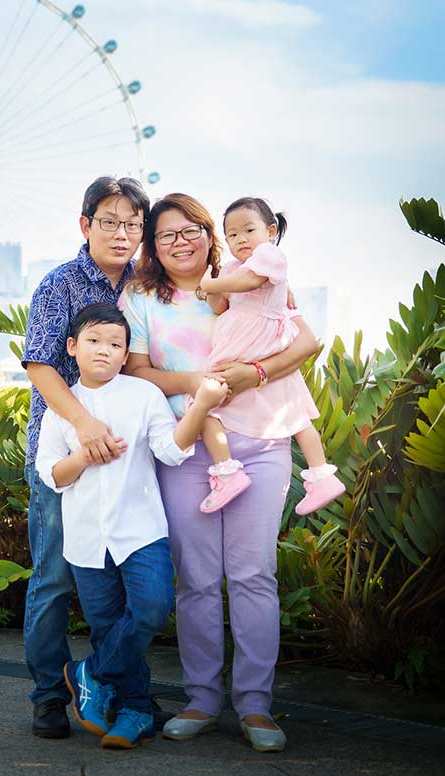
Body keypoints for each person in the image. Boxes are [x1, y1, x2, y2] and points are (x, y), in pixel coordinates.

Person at [119, 192, 319, 752]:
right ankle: (203, 698)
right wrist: (201, 388)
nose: (180, 242)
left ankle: (256, 706)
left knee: (254, 574)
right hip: (186, 447)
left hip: (259, 443)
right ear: (153, 247)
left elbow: (306, 341)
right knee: (198, 580)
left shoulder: (248, 275)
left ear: (210, 235)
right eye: (166, 235)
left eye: (191, 231)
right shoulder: (141, 297)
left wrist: (251, 373)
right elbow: (136, 368)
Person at [36, 303, 228, 750]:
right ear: (73, 347)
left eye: (115, 344)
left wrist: (199, 407)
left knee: (151, 608)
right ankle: (135, 711)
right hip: (86, 540)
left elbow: (171, 451)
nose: (104, 350)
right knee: (107, 627)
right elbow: (53, 475)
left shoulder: (143, 395)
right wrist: (84, 455)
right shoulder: (61, 408)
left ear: (126, 355)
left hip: (141, 530)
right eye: (94, 341)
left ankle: (92, 673)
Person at [22, 175, 166, 740]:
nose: (123, 232)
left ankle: (117, 691)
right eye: (110, 221)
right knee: (54, 579)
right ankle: (49, 698)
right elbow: (40, 365)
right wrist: (83, 427)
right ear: (85, 225)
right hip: (64, 455)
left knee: (131, 595)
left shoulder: (146, 284)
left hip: (131, 463)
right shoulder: (60, 284)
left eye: (133, 224)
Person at [193, 196, 345, 516]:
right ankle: (318, 476)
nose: (241, 239)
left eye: (248, 229)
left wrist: (210, 281)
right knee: (292, 408)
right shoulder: (235, 267)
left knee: (205, 403)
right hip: (247, 341)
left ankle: (228, 471)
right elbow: (221, 306)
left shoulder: (270, 256)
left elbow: (251, 281)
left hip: (257, 341)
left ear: (271, 230)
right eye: (232, 235)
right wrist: (213, 289)